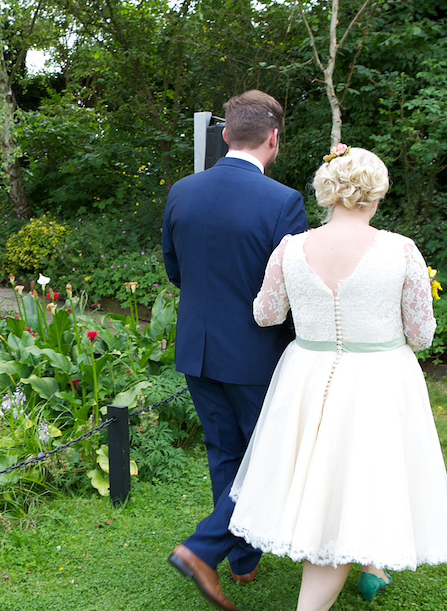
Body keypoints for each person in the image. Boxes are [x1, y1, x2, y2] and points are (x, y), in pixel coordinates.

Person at [227, 146, 447, 611]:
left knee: (330, 481)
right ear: (375, 193)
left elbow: (267, 314)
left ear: (327, 191)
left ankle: (371, 563)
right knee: (363, 481)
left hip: (306, 376)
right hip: (377, 379)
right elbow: (421, 335)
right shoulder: (400, 250)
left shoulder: (291, 248)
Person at [162, 90, 309, 611]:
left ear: (225, 134)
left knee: (226, 453)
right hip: (255, 354)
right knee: (271, 461)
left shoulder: (182, 191)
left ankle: (242, 560)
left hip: (197, 349)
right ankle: (203, 549)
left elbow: (175, 270)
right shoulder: (284, 202)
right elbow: (296, 289)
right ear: (273, 139)